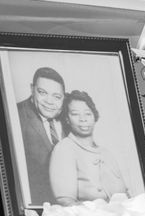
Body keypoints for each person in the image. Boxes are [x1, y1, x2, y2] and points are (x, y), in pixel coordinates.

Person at [49, 90, 129, 206]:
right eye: (75, 114)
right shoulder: (64, 149)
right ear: (67, 118)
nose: (83, 119)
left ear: (94, 116)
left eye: (87, 113)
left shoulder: (106, 153)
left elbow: (126, 195)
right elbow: (65, 202)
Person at [17, 67, 66, 205]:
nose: (49, 101)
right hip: (36, 208)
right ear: (32, 89)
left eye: (56, 96)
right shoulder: (15, 116)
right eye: (43, 93)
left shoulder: (68, 116)